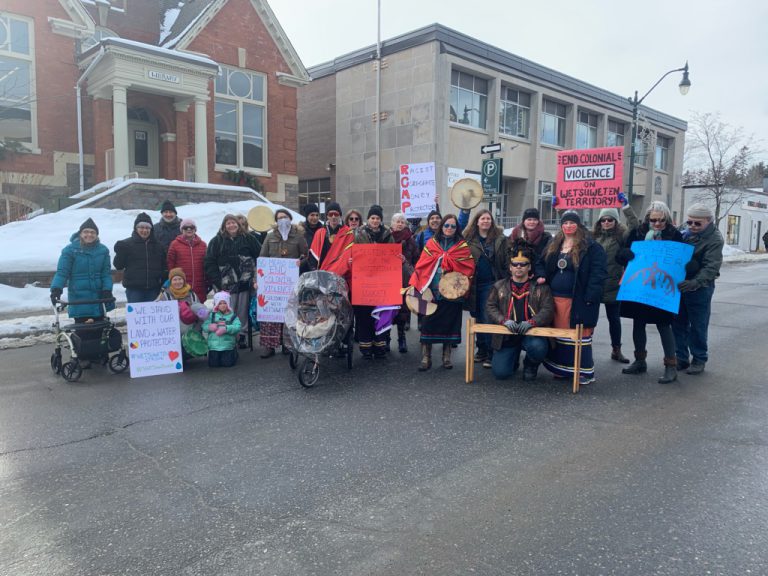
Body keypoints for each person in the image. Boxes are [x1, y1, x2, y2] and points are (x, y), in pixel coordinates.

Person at [616, 201, 684, 384]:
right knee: (639, 323)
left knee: (664, 325)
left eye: (661, 220)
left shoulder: (675, 235)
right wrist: (625, 255)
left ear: (667, 219)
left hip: (662, 288)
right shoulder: (637, 233)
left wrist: (687, 265)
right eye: (653, 220)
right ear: (648, 219)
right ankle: (640, 360)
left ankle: (671, 365)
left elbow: (683, 261)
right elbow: (621, 253)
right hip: (640, 286)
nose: (657, 224)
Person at [542, 211, 607, 385]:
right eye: (565, 223)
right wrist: (541, 276)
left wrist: (591, 296)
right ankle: (562, 369)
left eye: (572, 223)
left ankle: (585, 372)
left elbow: (598, 274)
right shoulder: (554, 243)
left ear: (578, 225)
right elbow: (541, 264)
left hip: (578, 300)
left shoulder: (591, 247)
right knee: (560, 336)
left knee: (578, 335)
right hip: (555, 298)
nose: (568, 226)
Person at [410, 213, 475, 370]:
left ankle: (446, 357)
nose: (449, 228)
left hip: (453, 292)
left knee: (449, 324)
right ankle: (426, 358)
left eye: (453, 226)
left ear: (456, 228)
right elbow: (422, 265)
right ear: (442, 226)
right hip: (432, 291)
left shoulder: (462, 246)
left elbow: (469, 266)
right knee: (428, 323)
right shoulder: (432, 244)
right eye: (446, 225)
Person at [50, 218, 114, 366]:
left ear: (97, 235)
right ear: (80, 233)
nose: (89, 235)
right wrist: (56, 288)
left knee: (99, 327)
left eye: (92, 232)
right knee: (83, 328)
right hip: (79, 297)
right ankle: (83, 356)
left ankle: (98, 354)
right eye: (86, 232)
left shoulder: (103, 250)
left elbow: (106, 273)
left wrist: (107, 290)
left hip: (98, 297)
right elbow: (62, 272)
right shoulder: (70, 250)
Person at [485, 246, 554, 381]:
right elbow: (490, 306)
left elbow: (548, 310)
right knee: (501, 373)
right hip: (507, 335)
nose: (519, 267)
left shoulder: (542, 288)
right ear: (510, 267)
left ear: (529, 267)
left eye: (523, 264)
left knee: (538, 347)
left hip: (532, 333)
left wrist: (532, 322)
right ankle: (513, 358)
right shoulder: (499, 286)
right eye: (515, 264)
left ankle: (530, 365)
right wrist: (503, 320)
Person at [672, 203, 724, 375]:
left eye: (697, 223)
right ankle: (681, 357)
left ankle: (699, 358)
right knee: (678, 324)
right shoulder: (684, 235)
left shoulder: (715, 239)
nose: (692, 226)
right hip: (681, 286)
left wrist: (695, 282)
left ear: (708, 221)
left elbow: (711, 267)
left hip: (700, 288)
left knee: (698, 325)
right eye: (690, 222)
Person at [591, 192, 639, 364]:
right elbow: (576, 230)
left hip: (613, 285)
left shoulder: (621, 236)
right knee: (590, 320)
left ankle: (616, 350)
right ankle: (585, 350)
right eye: (603, 220)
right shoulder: (594, 236)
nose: (606, 223)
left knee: (614, 320)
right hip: (595, 284)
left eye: (609, 219)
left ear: (615, 221)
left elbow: (635, 227)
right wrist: (562, 211)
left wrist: (626, 208)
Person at [204, 214, 261, 349]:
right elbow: (209, 262)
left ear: (238, 224)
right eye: (228, 223)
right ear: (224, 226)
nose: (231, 225)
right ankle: (228, 336)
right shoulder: (216, 241)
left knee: (242, 311)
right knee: (226, 311)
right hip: (225, 284)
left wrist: (255, 277)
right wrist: (217, 281)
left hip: (244, 283)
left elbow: (260, 254)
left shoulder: (248, 238)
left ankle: (242, 335)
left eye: (233, 223)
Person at [258, 208, 308, 357]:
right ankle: (269, 346)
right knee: (271, 312)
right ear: (276, 221)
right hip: (272, 281)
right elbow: (262, 257)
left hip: (290, 281)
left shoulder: (298, 236)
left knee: (290, 312)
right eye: (279, 218)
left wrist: (301, 262)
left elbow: (306, 255)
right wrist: (258, 279)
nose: (283, 220)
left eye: (285, 217)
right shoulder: (270, 237)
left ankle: (288, 343)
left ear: (290, 219)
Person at [463, 209, 509, 369]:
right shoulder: (468, 239)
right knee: (476, 317)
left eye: (488, 219)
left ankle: (490, 352)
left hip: (492, 284)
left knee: (487, 317)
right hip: (473, 284)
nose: (485, 221)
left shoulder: (500, 239)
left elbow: (506, 260)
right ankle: (481, 349)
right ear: (477, 221)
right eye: (482, 219)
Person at [352, 205, 395, 359]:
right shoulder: (358, 234)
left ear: (381, 220)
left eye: (377, 218)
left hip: (382, 280)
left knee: (381, 311)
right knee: (364, 314)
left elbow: (392, 255)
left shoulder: (388, 234)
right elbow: (353, 252)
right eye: (372, 218)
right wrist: (352, 260)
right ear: (368, 219)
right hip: (364, 280)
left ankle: (380, 344)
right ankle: (366, 346)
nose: (375, 220)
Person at [113, 212, 167, 303]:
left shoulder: (158, 246)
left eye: (147, 228)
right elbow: (119, 266)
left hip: (153, 289)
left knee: (152, 316)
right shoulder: (126, 244)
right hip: (134, 290)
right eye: (141, 227)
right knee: (135, 316)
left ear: (151, 229)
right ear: (136, 228)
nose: (144, 230)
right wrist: (120, 253)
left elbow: (163, 266)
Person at [390, 212, 419, 353]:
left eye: (402, 221)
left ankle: (401, 338)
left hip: (404, 280)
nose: (400, 224)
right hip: (387, 281)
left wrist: (405, 263)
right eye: (397, 221)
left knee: (402, 312)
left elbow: (416, 260)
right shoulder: (386, 238)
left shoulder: (411, 240)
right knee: (387, 311)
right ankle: (386, 339)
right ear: (392, 224)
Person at [167, 218, 208, 303]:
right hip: (181, 286)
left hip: (199, 286)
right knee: (183, 312)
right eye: (186, 227)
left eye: (191, 227)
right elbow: (170, 264)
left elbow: (206, 264)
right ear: (182, 230)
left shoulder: (203, 245)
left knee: (199, 311)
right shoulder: (174, 244)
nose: (189, 229)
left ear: (195, 229)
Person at [308, 202, 353, 273]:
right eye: (330, 214)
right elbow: (313, 255)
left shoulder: (348, 233)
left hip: (341, 273)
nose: (333, 217)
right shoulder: (320, 232)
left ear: (340, 216)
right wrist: (314, 270)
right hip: (322, 272)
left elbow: (349, 254)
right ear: (327, 216)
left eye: (336, 214)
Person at [508, 207, 552, 278]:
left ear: (538, 221)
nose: (532, 222)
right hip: (517, 276)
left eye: (535, 220)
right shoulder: (515, 235)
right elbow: (509, 256)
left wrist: (540, 274)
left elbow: (546, 259)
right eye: (529, 219)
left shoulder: (546, 238)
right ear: (524, 221)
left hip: (537, 277)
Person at [206, 291, 242, 368]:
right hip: (214, 346)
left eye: (224, 303)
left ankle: (234, 353)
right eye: (220, 303)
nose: (222, 305)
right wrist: (209, 327)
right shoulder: (212, 315)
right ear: (216, 305)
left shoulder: (232, 316)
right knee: (213, 365)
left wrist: (226, 329)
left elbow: (238, 326)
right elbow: (204, 325)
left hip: (227, 346)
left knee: (227, 364)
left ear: (228, 304)